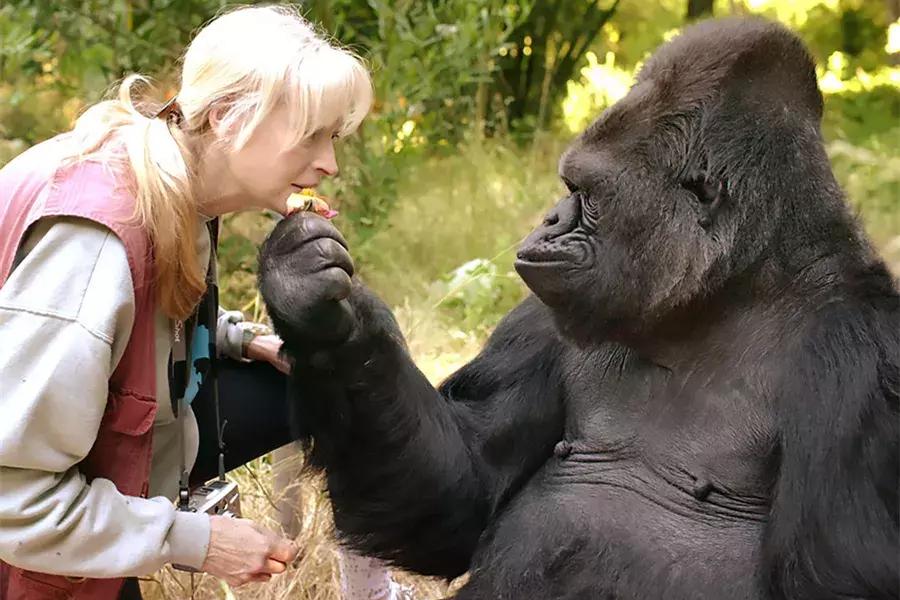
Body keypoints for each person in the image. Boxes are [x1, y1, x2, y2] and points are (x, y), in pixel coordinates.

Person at [0, 5, 373, 599]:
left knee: (308, 383)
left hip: (70, 468)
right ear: (227, 117)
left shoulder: (171, 177)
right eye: (312, 135)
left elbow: (135, 321)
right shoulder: (95, 244)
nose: (329, 163)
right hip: (24, 534)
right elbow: (10, 496)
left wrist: (239, 337)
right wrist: (195, 539)